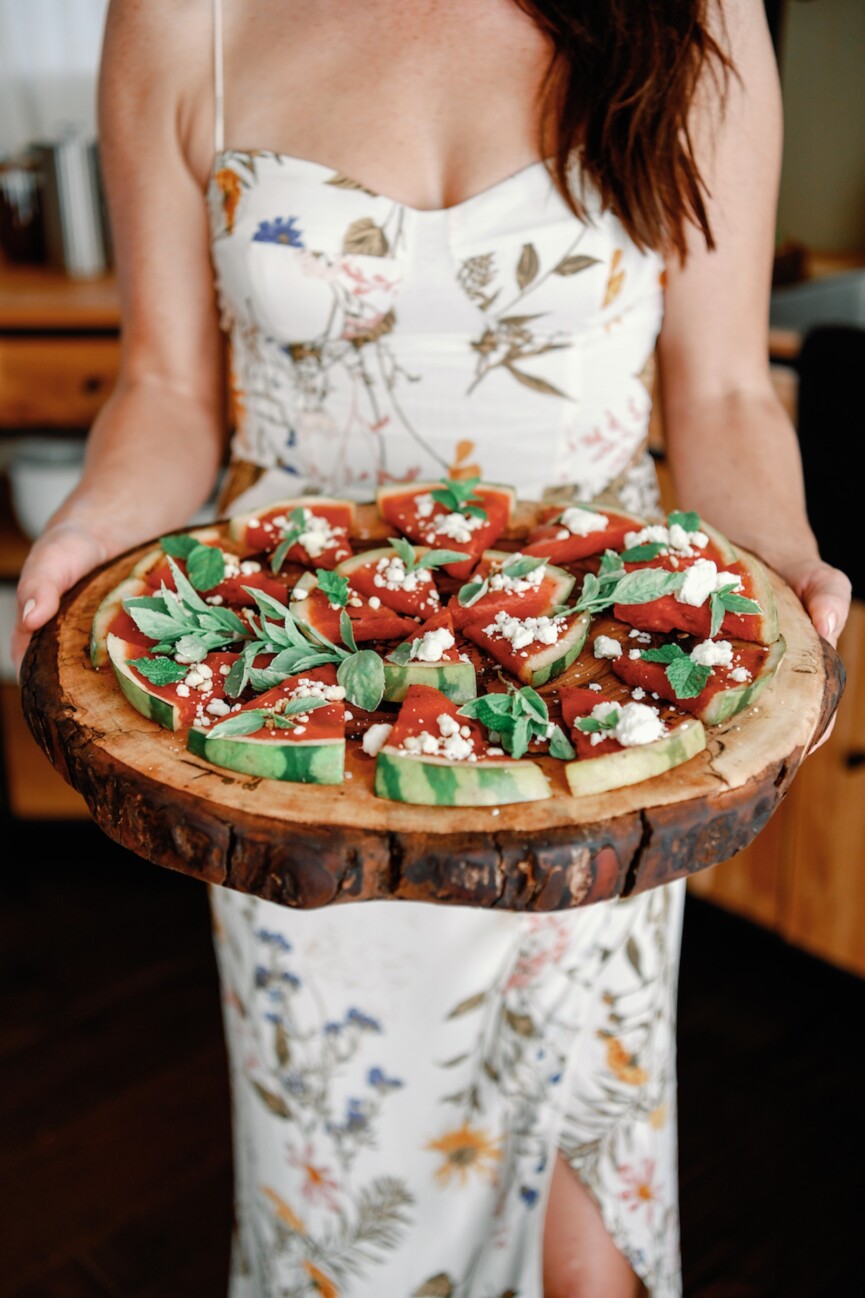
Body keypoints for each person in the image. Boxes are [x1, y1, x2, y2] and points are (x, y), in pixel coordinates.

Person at [12, 1, 852, 1295]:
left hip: (587, 714)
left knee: (589, 1253)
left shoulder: (693, 12)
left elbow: (726, 389)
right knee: (345, 1221)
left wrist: (783, 565)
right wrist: (86, 529)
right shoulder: (185, 12)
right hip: (296, 729)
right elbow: (169, 389)